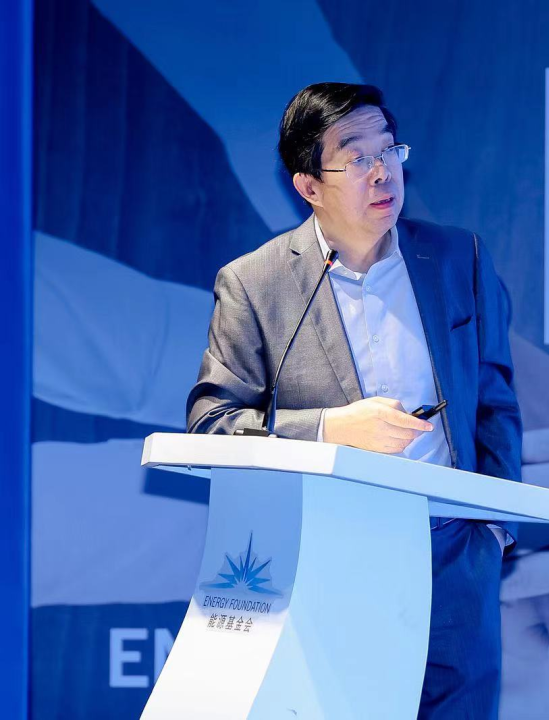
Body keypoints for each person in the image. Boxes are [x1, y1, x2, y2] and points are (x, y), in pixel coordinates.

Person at [186, 82, 521, 719]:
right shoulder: (255, 284)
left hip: (455, 557)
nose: (382, 171)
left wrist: (492, 529)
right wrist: (329, 429)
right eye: (357, 157)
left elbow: (494, 399)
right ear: (309, 185)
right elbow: (212, 425)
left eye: (389, 150)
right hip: (331, 560)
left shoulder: (458, 258)